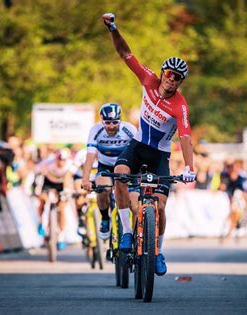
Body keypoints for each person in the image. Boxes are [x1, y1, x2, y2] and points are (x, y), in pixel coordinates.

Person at [102, 13, 196, 276]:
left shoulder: (180, 106)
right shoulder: (148, 79)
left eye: (176, 77)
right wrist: (113, 29)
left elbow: (186, 138)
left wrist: (189, 167)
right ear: (163, 72)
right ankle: (128, 233)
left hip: (160, 155)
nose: (170, 79)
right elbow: (125, 54)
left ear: (180, 82)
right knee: (120, 175)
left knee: (162, 206)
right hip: (137, 145)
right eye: (168, 73)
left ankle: (159, 250)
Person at [81, 103, 137, 240]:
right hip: (105, 166)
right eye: (107, 122)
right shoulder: (95, 130)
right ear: (102, 121)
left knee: (135, 205)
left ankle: (134, 239)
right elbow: (90, 155)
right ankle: (105, 219)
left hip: (126, 166)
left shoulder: (129, 129)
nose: (111, 126)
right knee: (103, 188)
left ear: (120, 120)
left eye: (115, 122)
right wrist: (85, 178)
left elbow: (138, 152)